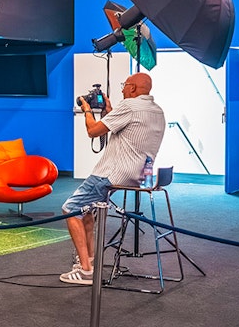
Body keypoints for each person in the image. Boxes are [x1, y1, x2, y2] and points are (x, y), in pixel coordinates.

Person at [61, 71, 166, 285]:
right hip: (138, 176)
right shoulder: (157, 110)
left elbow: (93, 131)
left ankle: (86, 271)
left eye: (125, 85)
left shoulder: (129, 107)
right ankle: (89, 261)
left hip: (111, 174)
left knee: (70, 209)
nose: (122, 89)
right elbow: (129, 132)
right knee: (87, 210)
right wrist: (110, 112)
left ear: (134, 88)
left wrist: (87, 110)